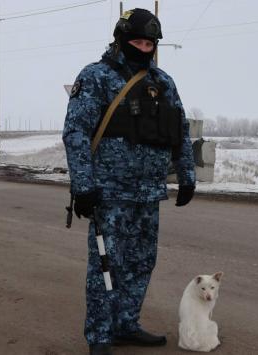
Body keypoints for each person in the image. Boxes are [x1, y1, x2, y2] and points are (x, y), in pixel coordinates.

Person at [62, 8, 196, 355]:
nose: (144, 47)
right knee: (106, 265)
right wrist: (83, 185)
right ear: (121, 40)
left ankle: (126, 324)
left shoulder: (163, 83)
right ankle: (101, 336)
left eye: (149, 43)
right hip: (108, 193)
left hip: (148, 193)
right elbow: (76, 133)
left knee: (141, 262)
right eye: (137, 41)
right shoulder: (96, 77)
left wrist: (187, 176)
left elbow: (179, 132)